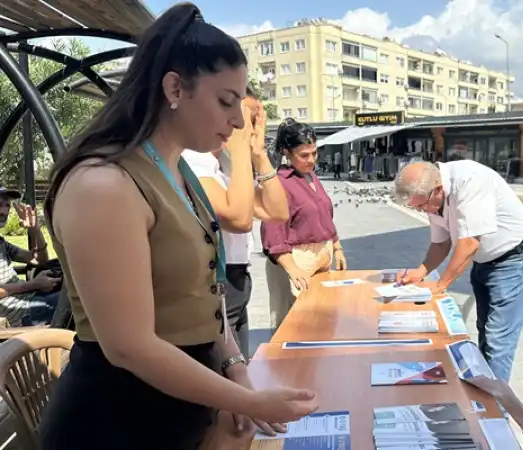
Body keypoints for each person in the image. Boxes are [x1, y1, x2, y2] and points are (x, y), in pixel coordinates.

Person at [38, 4, 317, 449]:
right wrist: (249, 401)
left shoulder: (177, 172)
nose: (238, 121)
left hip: (181, 410)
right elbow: (129, 346)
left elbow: (206, 298)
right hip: (118, 424)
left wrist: (237, 373)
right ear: (174, 87)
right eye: (226, 101)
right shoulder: (103, 184)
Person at [393, 160, 523, 382]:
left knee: (498, 341)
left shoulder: (470, 180)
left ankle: (493, 401)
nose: (421, 211)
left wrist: (441, 286)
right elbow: (441, 243)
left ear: (438, 189)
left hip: (514, 259)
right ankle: (484, 386)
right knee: (484, 330)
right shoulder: (432, 193)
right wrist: (421, 271)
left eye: (421, 206)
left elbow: (470, 243)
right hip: (484, 261)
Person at [182, 85, 289, 359]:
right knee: (226, 369)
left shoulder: (229, 165)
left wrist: (259, 155)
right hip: (213, 282)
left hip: (238, 279)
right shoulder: (192, 159)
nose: (244, 126)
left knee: (241, 365)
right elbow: (239, 219)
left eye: (252, 120)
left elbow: (277, 212)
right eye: (243, 117)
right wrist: (240, 147)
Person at [262, 118, 346, 330]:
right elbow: (273, 231)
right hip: (293, 260)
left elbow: (324, 215)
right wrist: (292, 268)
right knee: (291, 325)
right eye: (304, 155)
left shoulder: (311, 177)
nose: (311, 160)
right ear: (287, 153)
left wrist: (337, 247)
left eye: (314, 153)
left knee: (321, 322)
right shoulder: (279, 183)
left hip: (321, 257)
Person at [0, 187, 61, 326]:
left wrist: (34, 228)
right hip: (18, 315)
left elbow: (39, 259)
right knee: (80, 299)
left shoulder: (2, 243)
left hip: (31, 299)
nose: (3, 211)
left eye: (7, 205)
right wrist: (33, 285)